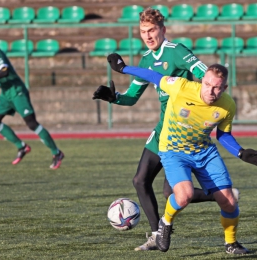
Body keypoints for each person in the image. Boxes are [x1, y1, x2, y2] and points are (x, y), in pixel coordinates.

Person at [92, 7, 239, 251]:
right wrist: (113, 97)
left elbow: (204, 74)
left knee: (175, 194)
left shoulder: (177, 51)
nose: (148, 36)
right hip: (163, 128)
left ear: (163, 30)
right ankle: (155, 233)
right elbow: (131, 97)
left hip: (184, 128)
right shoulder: (146, 60)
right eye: (142, 32)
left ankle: (221, 196)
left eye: (152, 30)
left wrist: (209, 92)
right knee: (140, 180)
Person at [106, 52, 255, 254]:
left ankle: (231, 243)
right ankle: (165, 223)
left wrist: (240, 152)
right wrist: (124, 69)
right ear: (202, 81)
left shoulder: (228, 105)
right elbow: (154, 76)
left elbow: (223, 135)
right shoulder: (182, 86)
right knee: (184, 195)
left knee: (228, 200)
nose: (211, 91)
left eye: (217, 87)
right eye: (208, 85)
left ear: (224, 88)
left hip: (204, 152)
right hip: (173, 150)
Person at [0, 47, 64, 169]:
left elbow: (4, 71)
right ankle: (22, 147)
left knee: (32, 123)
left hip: (17, 92)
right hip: (5, 94)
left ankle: (57, 153)